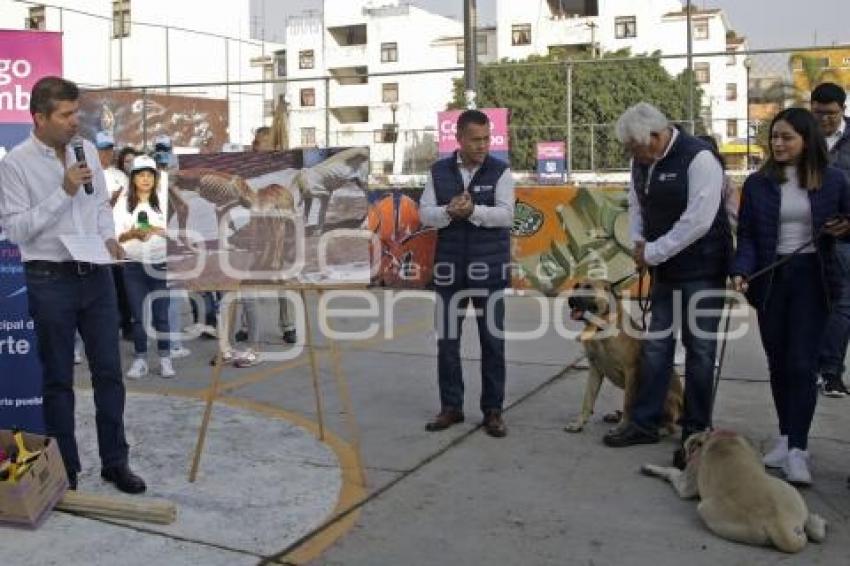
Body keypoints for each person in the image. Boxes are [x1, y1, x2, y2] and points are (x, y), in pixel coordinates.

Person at [0, 76, 146, 494]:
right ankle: (67, 469)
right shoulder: (15, 165)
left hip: (96, 274)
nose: (73, 122)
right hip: (50, 279)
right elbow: (15, 231)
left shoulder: (84, 150)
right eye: (65, 115)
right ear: (39, 117)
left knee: (109, 374)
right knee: (58, 380)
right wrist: (62, 191)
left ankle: (115, 462)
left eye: (75, 113)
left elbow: (100, 204)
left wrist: (108, 236)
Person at [602, 103, 732, 468]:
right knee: (656, 346)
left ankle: (695, 427)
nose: (633, 156)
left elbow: (698, 221)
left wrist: (655, 251)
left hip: (703, 269)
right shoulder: (641, 160)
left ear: (657, 137)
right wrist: (640, 244)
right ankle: (645, 422)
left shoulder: (699, 158)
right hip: (663, 269)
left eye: (636, 148)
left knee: (701, 349)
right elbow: (637, 205)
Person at [732, 107, 850, 485]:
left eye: (787, 137)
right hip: (770, 279)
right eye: (774, 137)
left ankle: (799, 449)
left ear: (806, 140)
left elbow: (848, 226)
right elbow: (747, 234)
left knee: (803, 364)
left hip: (813, 279)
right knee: (778, 363)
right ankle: (785, 437)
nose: (778, 144)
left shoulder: (834, 181)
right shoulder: (757, 183)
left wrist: (842, 229)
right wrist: (741, 270)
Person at [419, 109, 515, 438]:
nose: (483, 145)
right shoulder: (438, 171)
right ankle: (451, 407)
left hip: (489, 271)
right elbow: (425, 214)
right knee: (447, 343)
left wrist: (473, 211)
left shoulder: (501, 172)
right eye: (476, 139)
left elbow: (505, 215)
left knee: (493, 343)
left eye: (487, 139)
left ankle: (493, 411)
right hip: (449, 272)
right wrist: (448, 210)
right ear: (458, 139)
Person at [115, 155, 175, 379]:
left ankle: (165, 358)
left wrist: (156, 230)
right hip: (134, 265)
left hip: (161, 263)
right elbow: (117, 235)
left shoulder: (165, 200)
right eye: (141, 174)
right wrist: (133, 233)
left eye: (150, 174)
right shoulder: (123, 202)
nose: (146, 179)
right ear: (133, 178)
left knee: (161, 315)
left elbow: (176, 231)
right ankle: (140, 358)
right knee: (138, 316)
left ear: (156, 177)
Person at [811, 82, 850, 397]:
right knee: (812, 303)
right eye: (818, 113)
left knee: (842, 303)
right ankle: (809, 367)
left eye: (830, 114)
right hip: (807, 237)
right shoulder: (802, 138)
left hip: (844, 237)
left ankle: (831, 372)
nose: (824, 119)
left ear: (843, 110)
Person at [253, 126, 297, 344]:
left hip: (280, 222)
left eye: (264, 142)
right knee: (250, 279)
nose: (260, 146)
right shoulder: (250, 167)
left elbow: (290, 201)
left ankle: (288, 326)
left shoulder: (285, 167)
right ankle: (246, 325)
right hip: (260, 225)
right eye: (259, 142)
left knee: (282, 277)